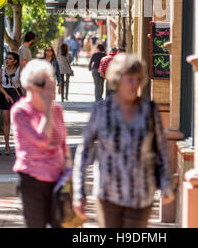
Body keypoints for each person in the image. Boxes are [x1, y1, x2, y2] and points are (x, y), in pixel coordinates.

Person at [72, 54, 174, 228]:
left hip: (141, 194)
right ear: (117, 80)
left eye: (138, 79)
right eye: (130, 79)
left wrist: (166, 184)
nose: (135, 84)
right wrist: (79, 192)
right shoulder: (102, 110)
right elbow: (85, 152)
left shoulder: (148, 109)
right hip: (108, 194)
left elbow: (161, 149)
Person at [11, 59, 72, 228]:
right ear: (30, 85)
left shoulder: (56, 109)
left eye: (50, 80)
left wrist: (69, 174)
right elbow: (43, 141)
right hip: (33, 180)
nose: (50, 86)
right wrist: (46, 109)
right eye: (43, 83)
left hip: (59, 181)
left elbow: (63, 144)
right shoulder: (20, 111)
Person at [0, 52, 24, 155]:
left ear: (15, 61)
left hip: (16, 94)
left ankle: (19, 145)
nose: (7, 60)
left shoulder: (19, 71)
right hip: (5, 96)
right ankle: (7, 146)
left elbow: (22, 85)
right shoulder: (2, 71)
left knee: (18, 122)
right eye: (6, 58)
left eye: (10, 59)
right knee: (6, 122)